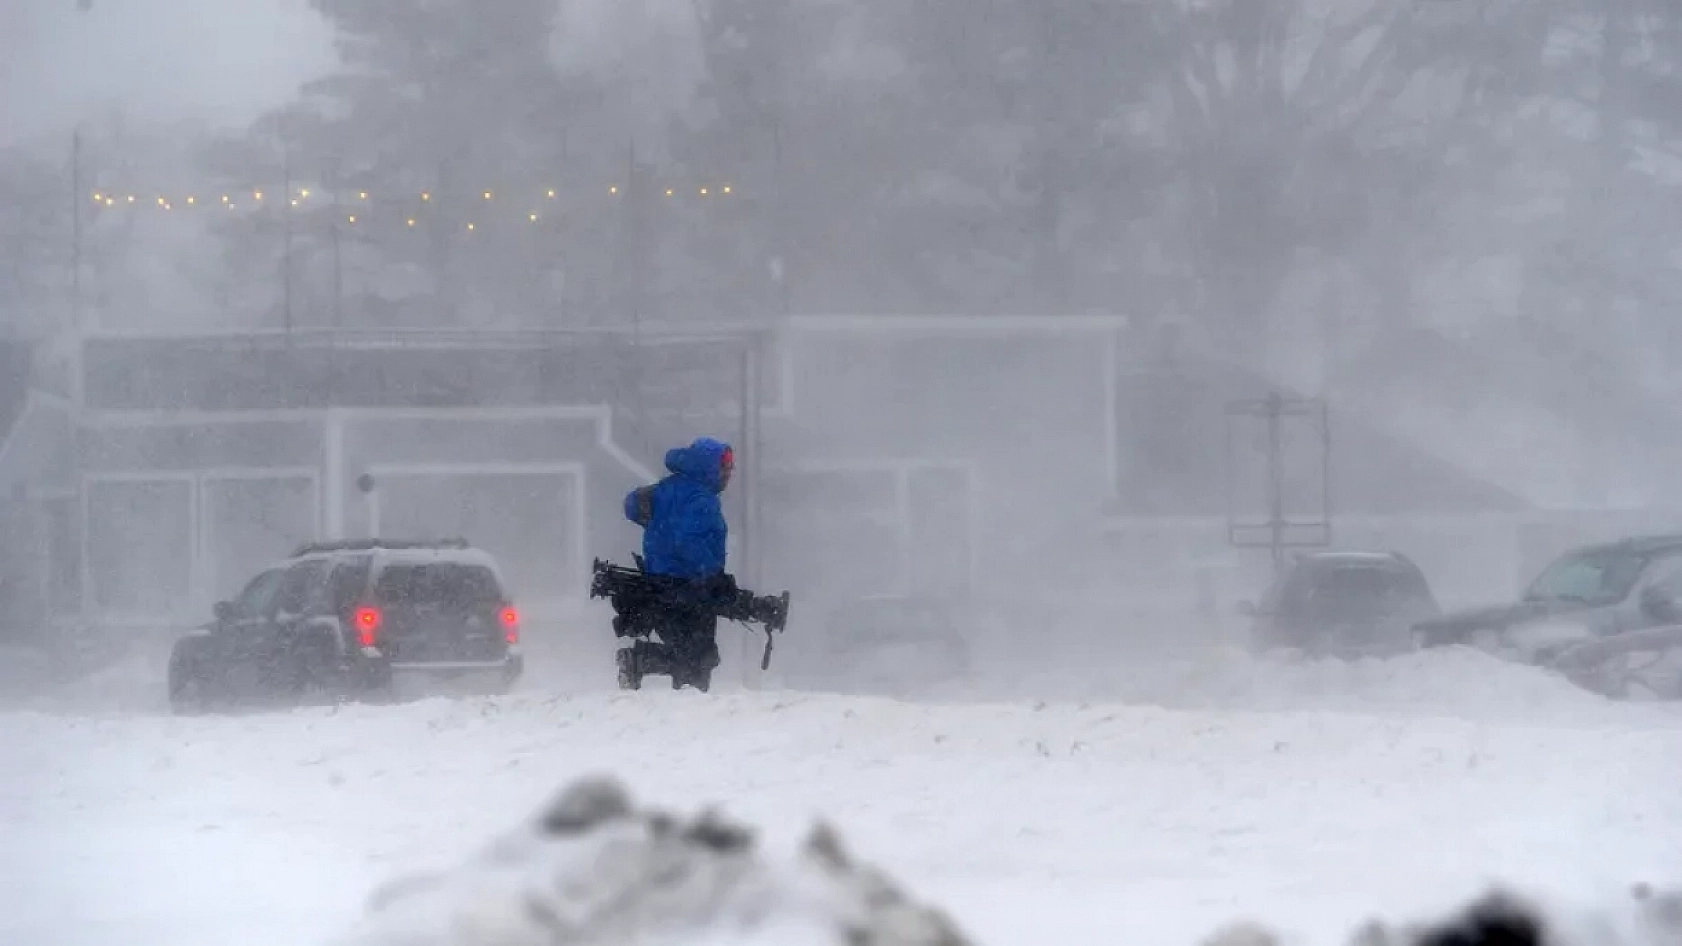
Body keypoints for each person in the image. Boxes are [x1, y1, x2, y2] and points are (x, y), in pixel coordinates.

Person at [617, 436, 735, 691]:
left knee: (688, 653)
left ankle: (643, 662)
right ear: (709, 467)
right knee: (699, 657)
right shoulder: (701, 499)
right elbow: (688, 540)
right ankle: (642, 662)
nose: (729, 473)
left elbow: (632, 505)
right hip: (691, 587)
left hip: (658, 585)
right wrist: (711, 574)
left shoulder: (666, 489)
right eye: (725, 467)